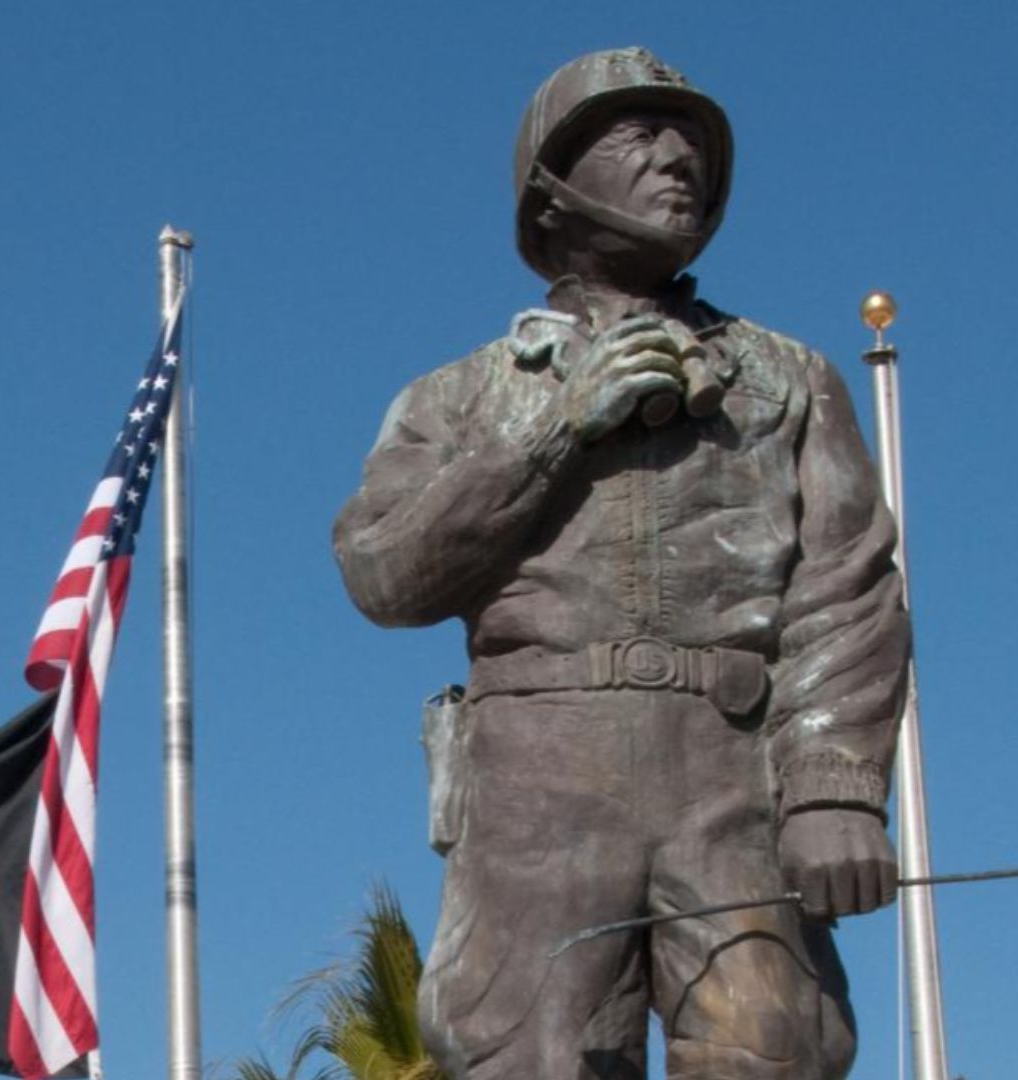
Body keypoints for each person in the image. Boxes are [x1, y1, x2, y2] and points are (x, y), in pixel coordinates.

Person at [333, 48, 911, 1079]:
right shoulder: (459, 397)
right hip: (538, 782)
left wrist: (835, 787)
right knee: (529, 1059)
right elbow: (385, 576)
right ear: (550, 190)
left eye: (690, 141)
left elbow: (847, 589)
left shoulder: (789, 378)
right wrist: (555, 428)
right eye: (637, 136)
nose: (677, 158)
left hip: (733, 776)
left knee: (772, 1048)